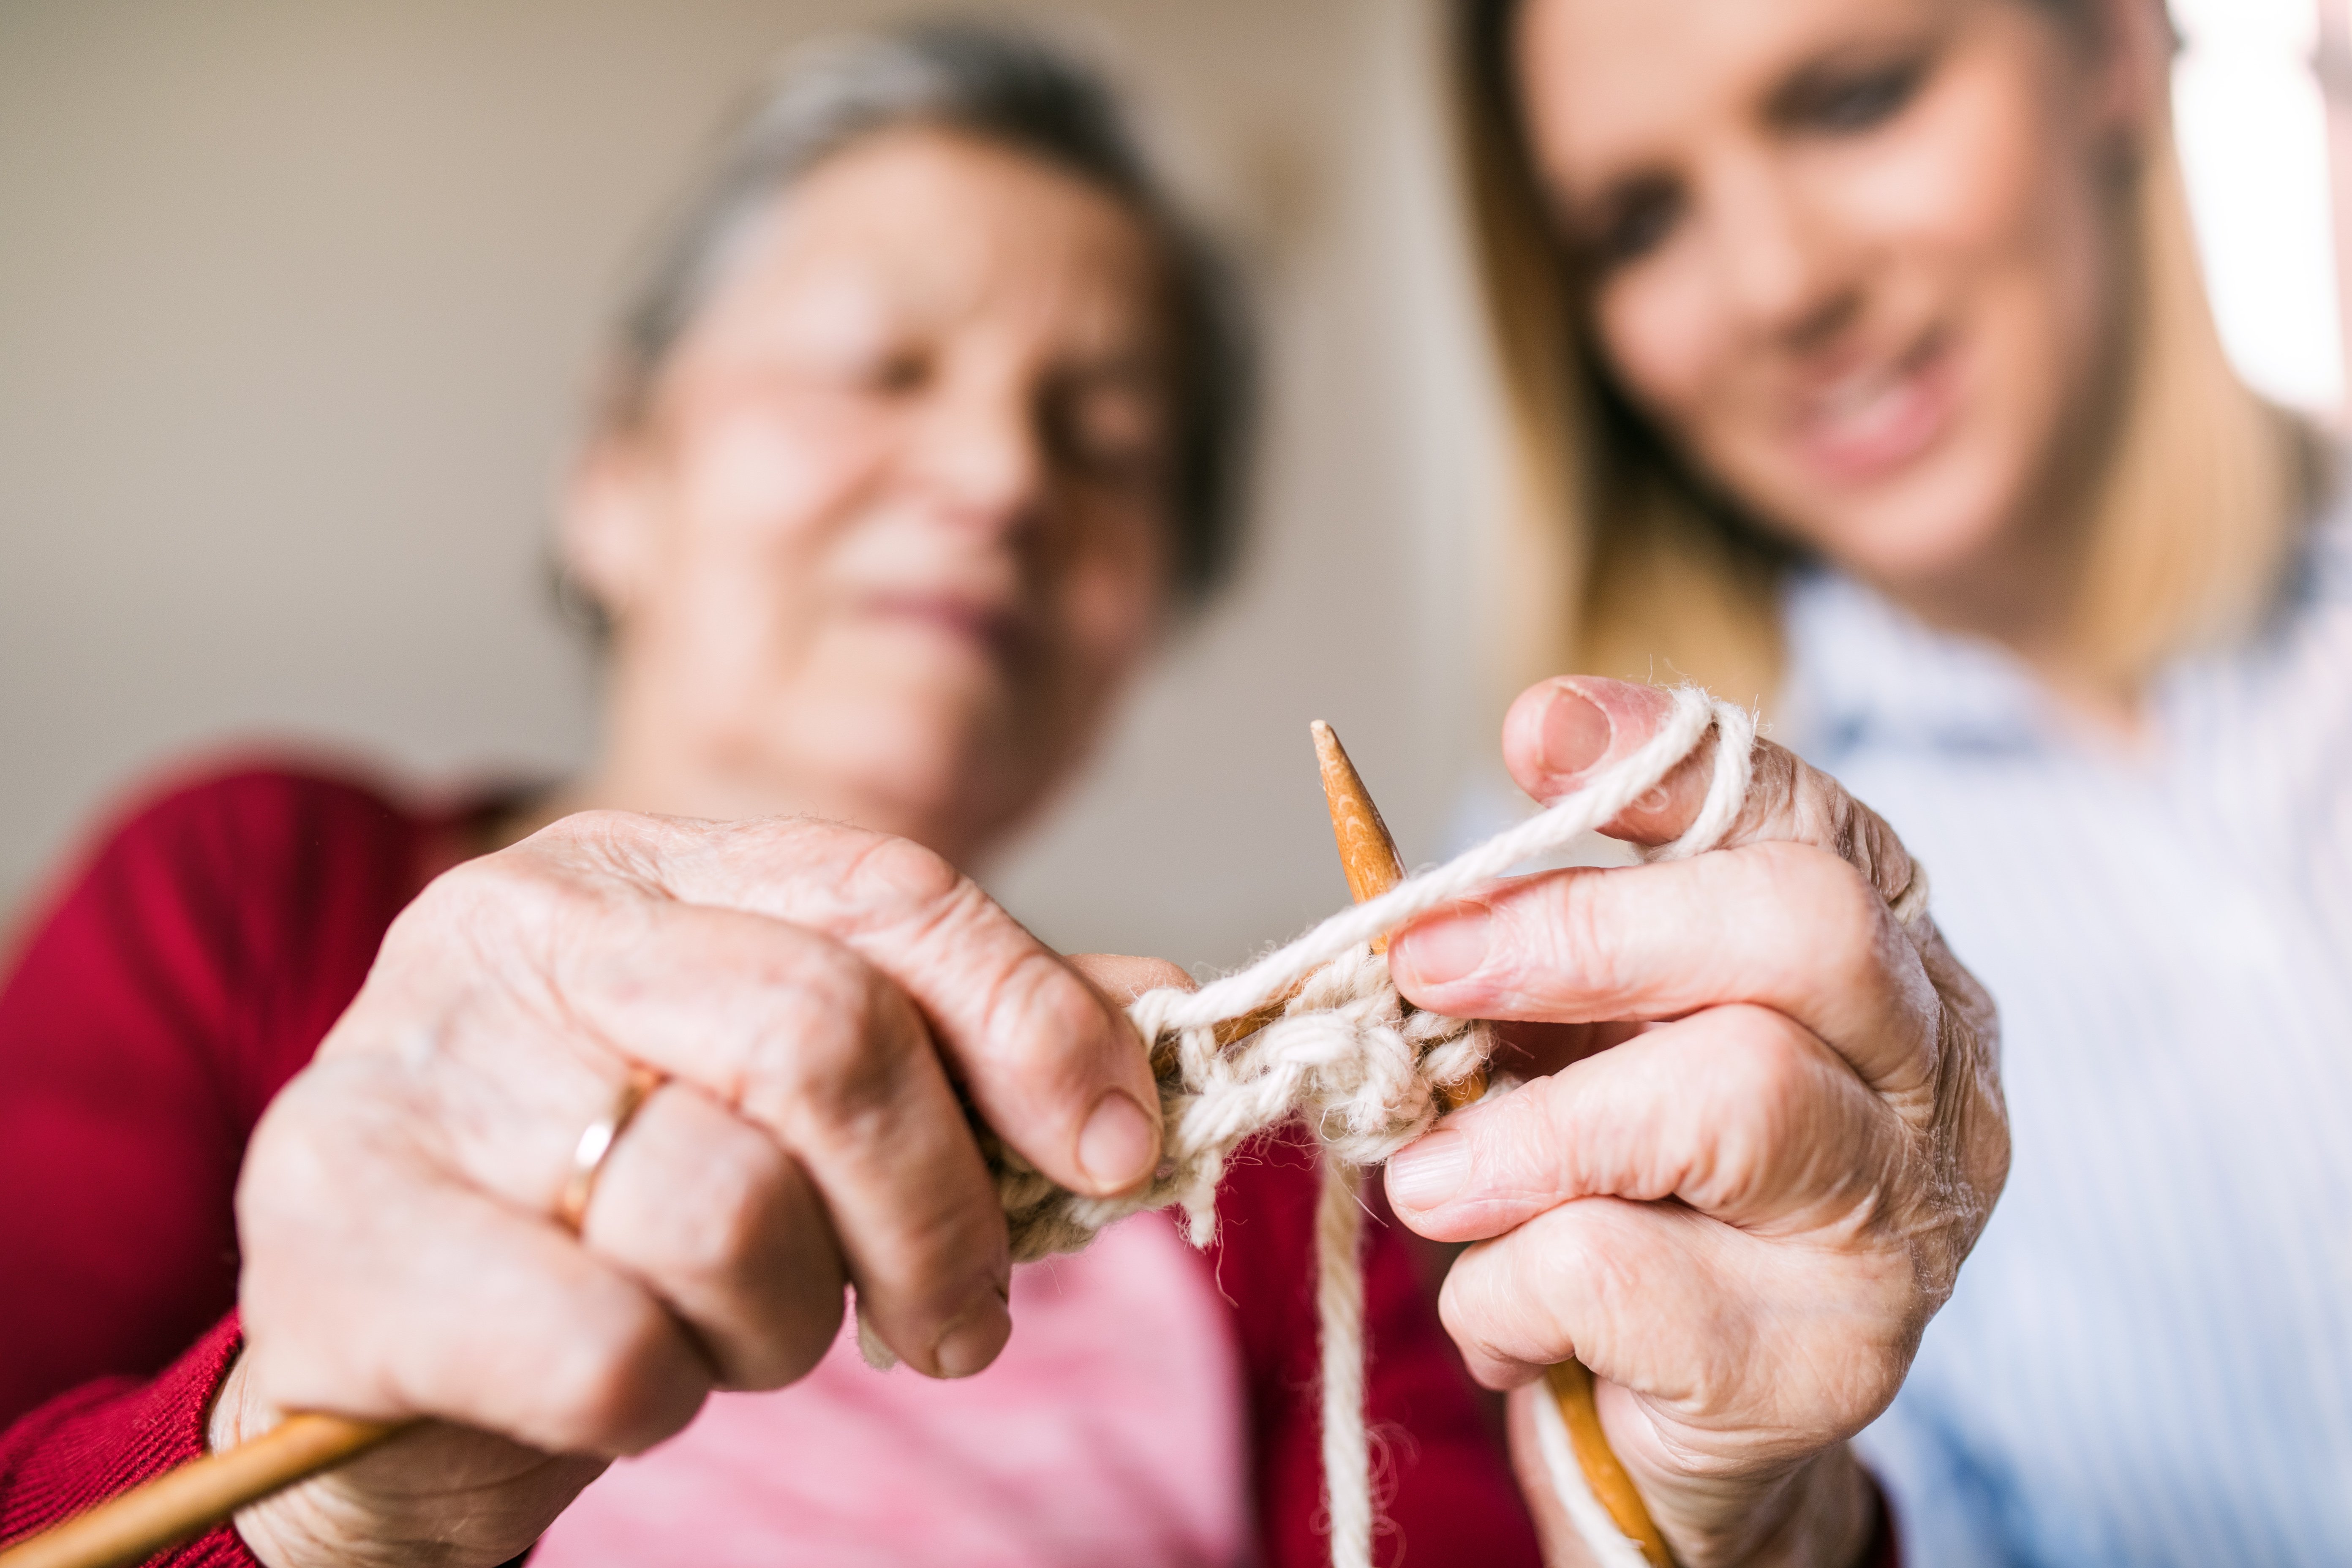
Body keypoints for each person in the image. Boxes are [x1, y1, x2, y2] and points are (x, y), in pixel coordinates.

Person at [0, 24, 1546, 1568]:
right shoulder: (257, 895)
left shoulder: (1264, 1181)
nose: (1005, 479)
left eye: (1110, 443)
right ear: (615, 476)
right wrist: (307, 1498)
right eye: (882, 368)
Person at [1402, 0, 2352, 1561]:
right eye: (1640, 222)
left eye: (1854, 99)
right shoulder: (1572, 930)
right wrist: (1743, 1515)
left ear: (2113, 43)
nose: (1781, 286)